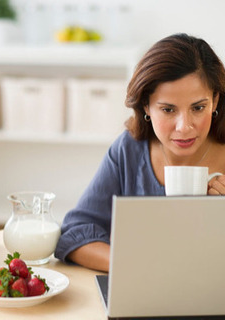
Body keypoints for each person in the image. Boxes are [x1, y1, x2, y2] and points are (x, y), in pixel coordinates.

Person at [54, 33, 225, 272]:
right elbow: (75, 233)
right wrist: (137, 268)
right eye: (168, 110)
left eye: (198, 107)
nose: (184, 126)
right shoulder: (129, 150)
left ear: (215, 101)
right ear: (146, 106)